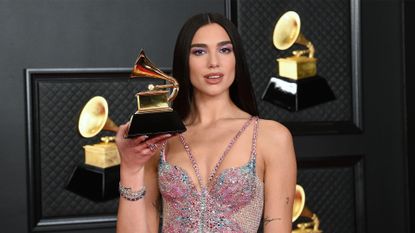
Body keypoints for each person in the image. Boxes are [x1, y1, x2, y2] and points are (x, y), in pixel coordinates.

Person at [115, 12, 297, 233]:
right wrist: (130, 169)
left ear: (236, 58)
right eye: (199, 52)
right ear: (185, 60)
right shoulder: (162, 138)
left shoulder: (272, 137)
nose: (214, 62)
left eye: (224, 50)